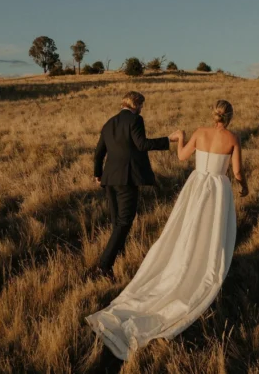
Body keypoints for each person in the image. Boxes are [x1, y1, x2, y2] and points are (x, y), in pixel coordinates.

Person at [86, 99, 248, 360]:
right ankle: (202, 266)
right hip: (218, 189)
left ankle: (183, 261)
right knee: (212, 230)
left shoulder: (199, 132)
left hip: (196, 186)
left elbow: (183, 156)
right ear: (229, 116)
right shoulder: (233, 138)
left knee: (186, 229)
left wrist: (181, 139)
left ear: (212, 114)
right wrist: (243, 187)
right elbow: (238, 171)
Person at [92, 91, 182, 277]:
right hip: (127, 178)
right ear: (135, 104)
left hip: (109, 179)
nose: (142, 109)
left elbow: (99, 152)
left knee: (117, 221)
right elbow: (142, 144)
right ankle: (103, 266)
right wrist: (168, 140)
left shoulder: (109, 123)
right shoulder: (135, 120)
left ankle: (119, 254)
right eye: (141, 105)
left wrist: (98, 174)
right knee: (125, 220)